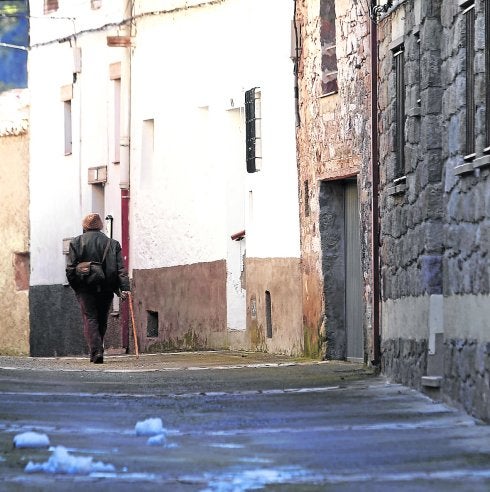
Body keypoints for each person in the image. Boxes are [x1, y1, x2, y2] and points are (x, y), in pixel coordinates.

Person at [66, 213, 130, 364]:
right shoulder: (112, 244)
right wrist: (125, 288)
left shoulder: (76, 242)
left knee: (90, 318)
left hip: (85, 288)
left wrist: (77, 286)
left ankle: (96, 352)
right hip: (107, 287)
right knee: (102, 319)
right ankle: (98, 349)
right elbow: (121, 269)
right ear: (101, 226)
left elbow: (70, 269)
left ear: (85, 226)